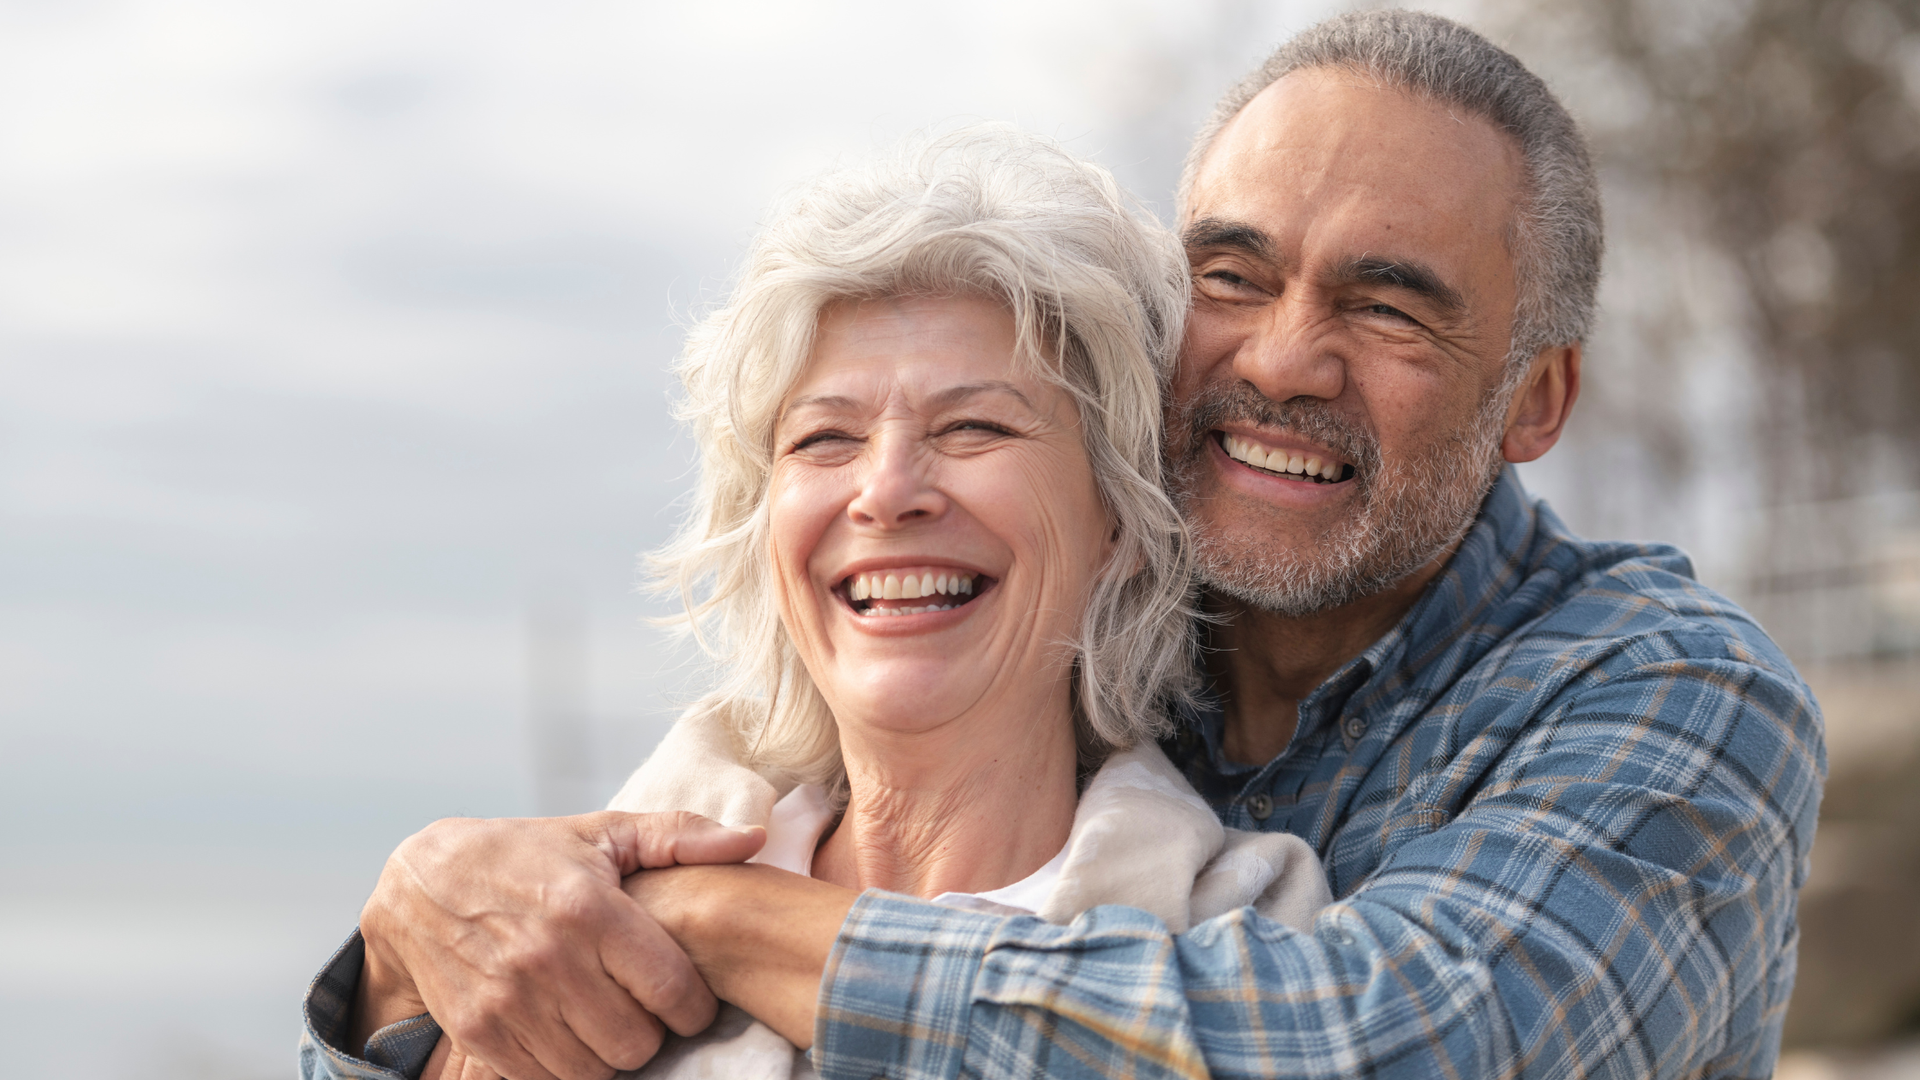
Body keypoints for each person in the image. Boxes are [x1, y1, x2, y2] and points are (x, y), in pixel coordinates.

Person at [306, 11, 1825, 1080]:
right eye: (1231, 275)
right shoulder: (1020, 652)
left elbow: (1395, 1047)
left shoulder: (1672, 698)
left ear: (1536, 398)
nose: (1286, 360)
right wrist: (405, 940)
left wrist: (710, 921)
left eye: (1387, 304)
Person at [300, 127, 1332, 1080]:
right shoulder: (563, 935)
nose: (886, 490)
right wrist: (389, 978)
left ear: (1116, 512)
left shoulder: (1248, 935)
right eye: (824, 439)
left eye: (974, 427)